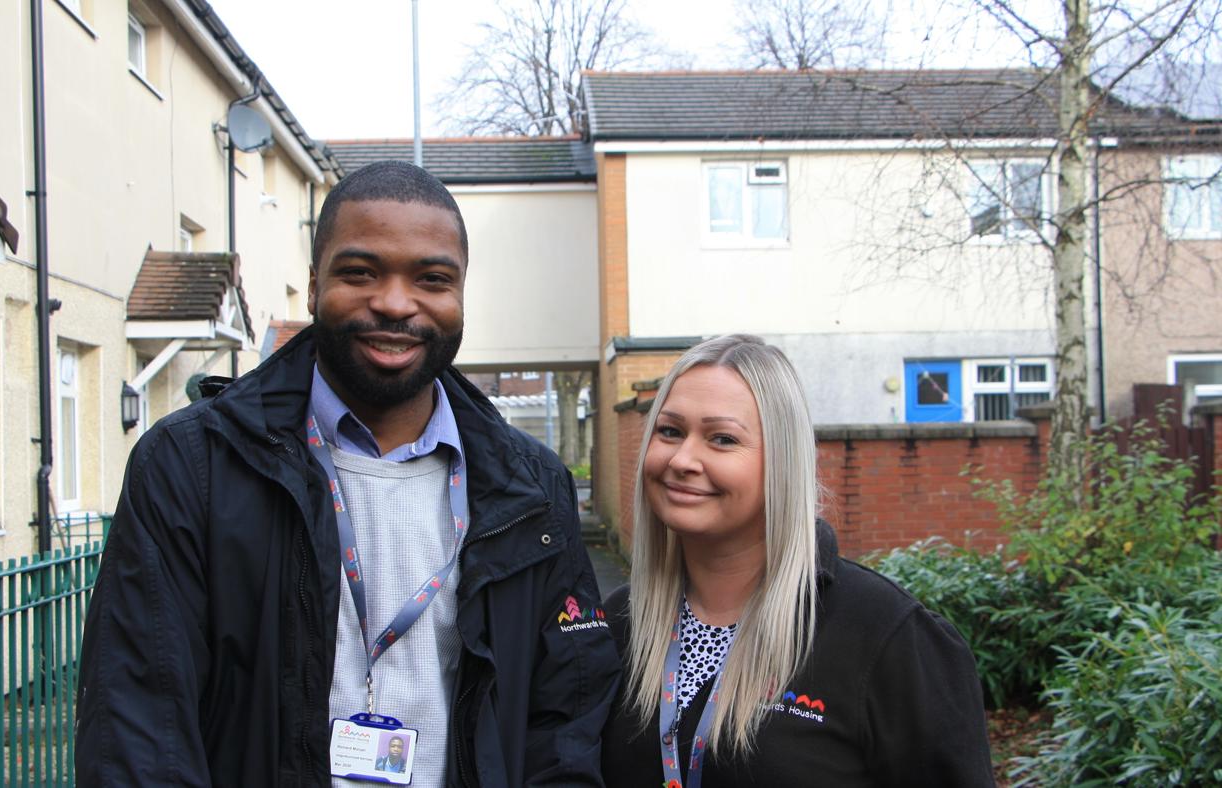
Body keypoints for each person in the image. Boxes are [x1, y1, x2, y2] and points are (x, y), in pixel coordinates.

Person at [76, 161, 619, 786]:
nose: (394, 303)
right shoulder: (190, 467)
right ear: (312, 286)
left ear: (461, 293)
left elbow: (567, 717)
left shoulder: (531, 486)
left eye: (432, 279)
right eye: (360, 272)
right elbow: (140, 727)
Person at [600, 334, 995, 787]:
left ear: (783, 462)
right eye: (669, 431)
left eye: (722, 439)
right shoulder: (617, 626)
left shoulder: (887, 639)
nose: (684, 459)